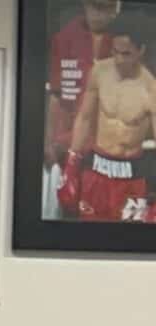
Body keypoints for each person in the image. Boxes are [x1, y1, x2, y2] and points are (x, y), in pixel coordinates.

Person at [60, 14, 156, 222]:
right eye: (115, 51)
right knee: (88, 234)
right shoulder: (100, 72)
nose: (119, 59)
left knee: (131, 241)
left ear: (141, 51)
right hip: (97, 169)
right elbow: (85, 117)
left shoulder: (151, 89)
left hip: (132, 176)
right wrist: (71, 163)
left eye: (127, 54)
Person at [48, 0, 124, 216]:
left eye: (108, 8)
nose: (100, 14)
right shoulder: (63, 38)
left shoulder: (127, 41)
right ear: (85, 5)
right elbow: (55, 94)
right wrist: (49, 140)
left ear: (117, 9)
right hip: (69, 140)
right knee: (67, 204)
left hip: (110, 144)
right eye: (95, 6)